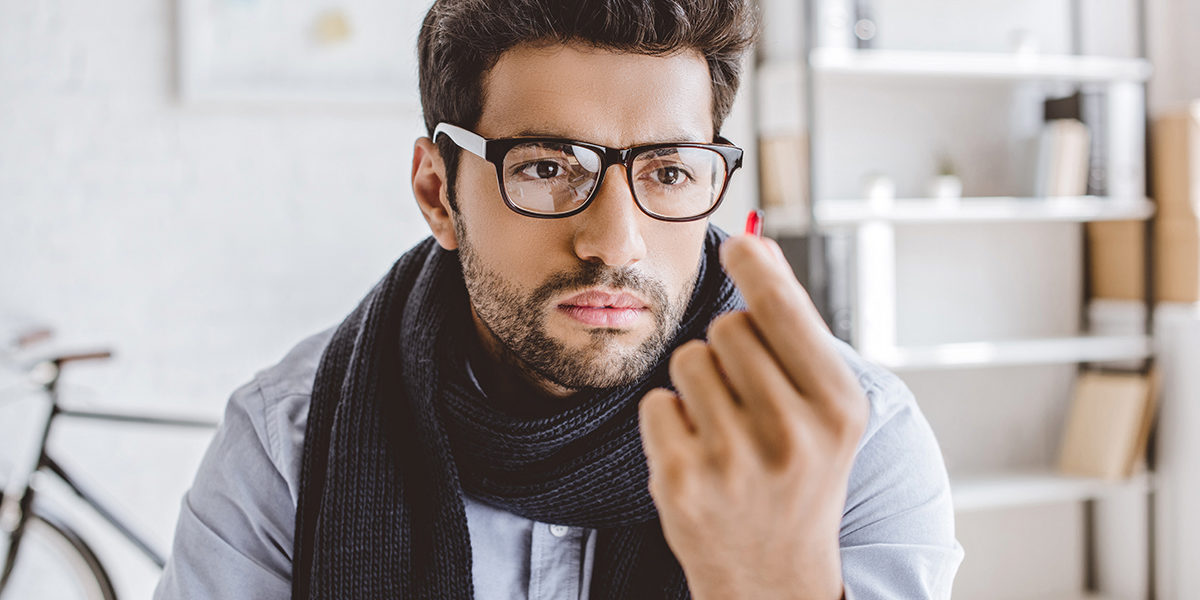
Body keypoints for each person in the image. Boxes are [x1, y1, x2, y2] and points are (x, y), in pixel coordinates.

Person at [155, 0, 963, 598]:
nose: (616, 241)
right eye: (547, 166)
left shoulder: (849, 445)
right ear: (439, 192)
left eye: (670, 171)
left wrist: (774, 581)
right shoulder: (287, 446)